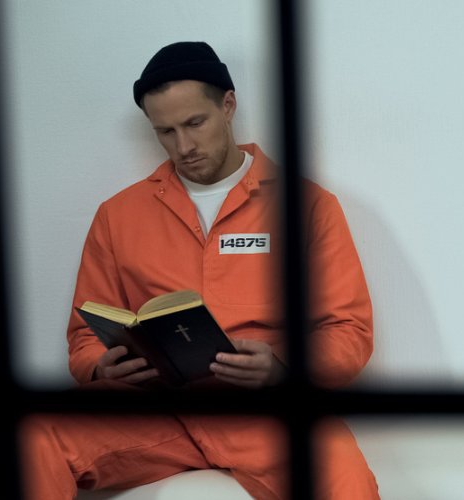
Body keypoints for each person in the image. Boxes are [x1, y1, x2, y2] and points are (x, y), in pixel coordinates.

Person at [20, 41, 379, 500]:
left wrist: (282, 368)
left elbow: (348, 330)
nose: (183, 146)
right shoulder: (118, 214)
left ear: (228, 105)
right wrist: (100, 368)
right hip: (154, 411)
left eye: (195, 123)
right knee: (32, 431)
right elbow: (84, 336)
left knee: (346, 483)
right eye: (164, 131)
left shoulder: (307, 205)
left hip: (266, 415)